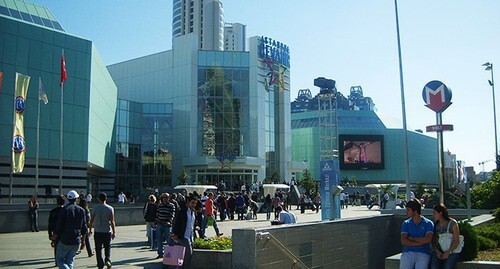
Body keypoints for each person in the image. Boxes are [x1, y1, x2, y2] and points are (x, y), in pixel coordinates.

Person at [54, 190, 87, 269]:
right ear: (76, 199)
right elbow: (84, 228)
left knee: (60, 261)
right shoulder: (81, 210)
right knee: (70, 261)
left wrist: (55, 236)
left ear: (68, 199)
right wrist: (83, 241)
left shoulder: (64, 210)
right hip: (76, 239)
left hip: (65, 239)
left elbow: (59, 225)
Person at [400, 198, 434, 269]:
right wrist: (420, 242)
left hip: (423, 252)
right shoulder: (406, 223)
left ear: (415, 210)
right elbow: (404, 241)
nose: (406, 212)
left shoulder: (428, 223)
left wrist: (412, 239)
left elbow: (428, 239)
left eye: (408, 210)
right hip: (408, 252)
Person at [89, 192, 116, 269]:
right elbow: (112, 221)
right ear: (106, 199)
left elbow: (92, 220)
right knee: (107, 247)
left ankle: (100, 264)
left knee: (98, 249)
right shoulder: (110, 208)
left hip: (98, 231)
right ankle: (107, 259)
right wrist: (114, 232)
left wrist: (90, 229)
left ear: (99, 199)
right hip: (107, 231)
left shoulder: (95, 208)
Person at [172, 194, 199, 268]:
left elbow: (193, 223)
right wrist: (175, 234)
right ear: (188, 202)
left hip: (191, 237)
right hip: (183, 236)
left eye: (195, 203)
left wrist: (196, 227)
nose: (194, 205)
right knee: (188, 254)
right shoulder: (183, 211)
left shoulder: (194, 212)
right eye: (192, 202)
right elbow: (177, 223)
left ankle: (181, 267)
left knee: (185, 255)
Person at [430, 203, 461, 269]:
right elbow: (433, 241)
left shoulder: (453, 223)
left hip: (452, 250)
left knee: (447, 266)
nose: (433, 215)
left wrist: (449, 252)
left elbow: (456, 240)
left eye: (435, 213)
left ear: (440, 213)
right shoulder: (435, 225)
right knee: (434, 266)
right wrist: (437, 252)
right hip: (439, 250)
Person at [155, 193, 176, 258]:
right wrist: (156, 223)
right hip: (159, 224)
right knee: (159, 240)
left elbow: (172, 214)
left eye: (166, 197)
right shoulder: (159, 205)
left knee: (169, 240)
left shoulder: (171, 205)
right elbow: (157, 214)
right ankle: (160, 253)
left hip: (167, 224)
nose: (165, 199)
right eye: (164, 197)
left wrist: (169, 221)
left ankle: (171, 254)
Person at [48, 195, 65, 267]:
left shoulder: (53, 211)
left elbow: (50, 224)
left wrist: (50, 235)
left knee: (56, 247)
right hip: (64, 232)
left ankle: (57, 262)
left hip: (55, 232)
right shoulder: (66, 211)